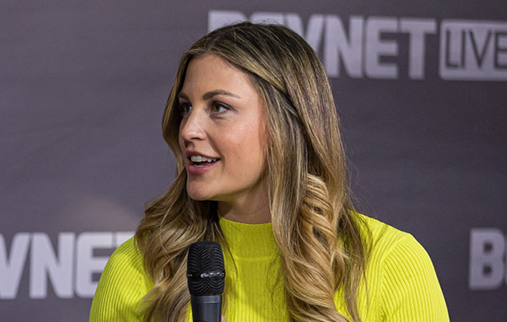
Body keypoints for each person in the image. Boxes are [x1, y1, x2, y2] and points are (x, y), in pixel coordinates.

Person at [89, 22, 448, 322]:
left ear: (289, 124)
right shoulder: (137, 268)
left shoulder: (390, 264)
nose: (188, 130)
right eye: (186, 108)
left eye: (219, 107)